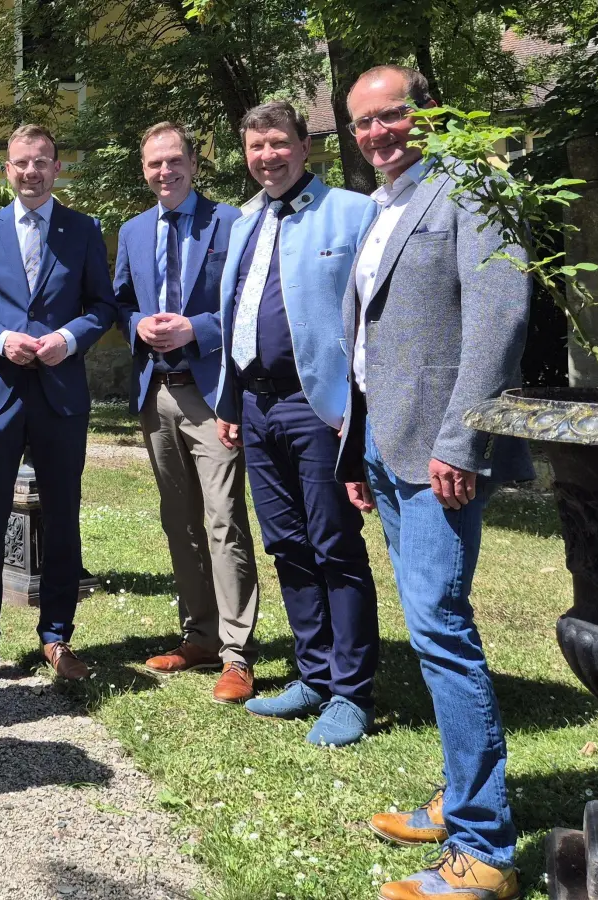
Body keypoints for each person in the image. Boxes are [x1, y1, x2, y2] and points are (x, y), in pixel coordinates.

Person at [338, 64, 533, 900]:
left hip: (441, 454)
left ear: (429, 113)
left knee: (441, 633)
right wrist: (360, 451)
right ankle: (460, 798)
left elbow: (500, 316)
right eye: (363, 123)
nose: (378, 133)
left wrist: (463, 440)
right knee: (430, 630)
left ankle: (485, 851)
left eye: (392, 116)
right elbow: (372, 340)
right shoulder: (385, 205)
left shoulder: (472, 188)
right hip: (387, 447)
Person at [211, 101, 381, 747]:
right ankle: (312, 673)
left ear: (305, 146)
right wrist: (231, 403)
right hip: (256, 407)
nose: (267, 157)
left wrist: (357, 415)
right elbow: (234, 313)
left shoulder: (351, 211)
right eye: (256, 147)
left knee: (335, 544)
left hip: (320, 408)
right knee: (286, 543)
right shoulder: (246, 219)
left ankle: (351, 691)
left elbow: (369, 322)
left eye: (278, 144)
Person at [0, 123, 118, 686]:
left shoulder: (83, 230)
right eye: (21, 162)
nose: (31, 171)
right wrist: (1, 339)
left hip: (61, 395)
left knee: (63, 519)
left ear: (56, 168)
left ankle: (57, 638)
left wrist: (65, 340)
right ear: (7, 170)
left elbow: (101, 304)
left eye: (42, 161)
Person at [113, 122, 260, 704]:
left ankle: (236, 653)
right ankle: (197, 635)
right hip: (158, 393)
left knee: (224, 519)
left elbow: (251, 308)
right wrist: (138, 326)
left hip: (212, 392)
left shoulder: (230, 223)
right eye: (154, 164)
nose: (165, 172)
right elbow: (121, 301)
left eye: (175, 161)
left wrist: (195, 329)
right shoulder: (131, 231)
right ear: (144, 170)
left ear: (194, 163)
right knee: (180, 519)